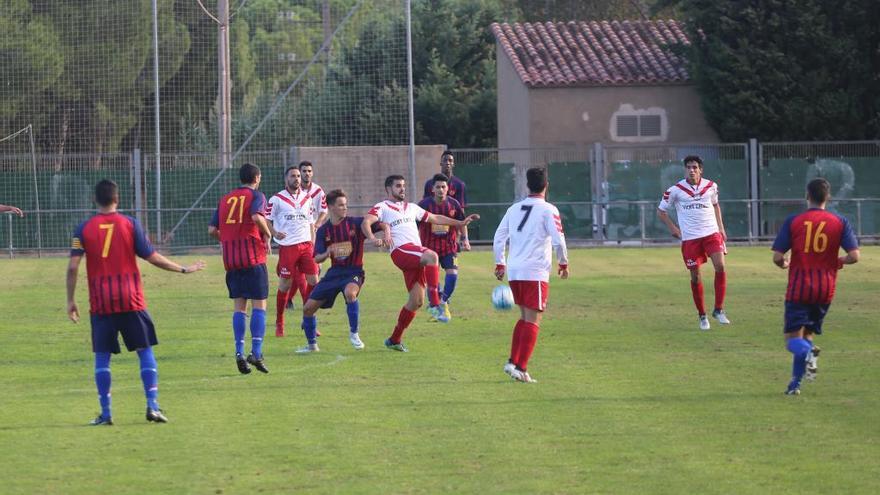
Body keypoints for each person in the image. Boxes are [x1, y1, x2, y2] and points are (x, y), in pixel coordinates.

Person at [67, 179, 206, 425]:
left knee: (102, 356)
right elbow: (153, 257)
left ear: (95, 201)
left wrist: (70, 300)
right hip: (132, 299)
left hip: (101, 303)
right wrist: (184, 269)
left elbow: (73, 267)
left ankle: (106, 413)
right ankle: (152, 406)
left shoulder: (83, 228)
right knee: (144, 351)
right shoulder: (130, 224)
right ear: (117, 199)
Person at [362, 175, 479, 351]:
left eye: (403, 185)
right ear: (388, 189)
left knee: (416, 301)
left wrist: (460, 223)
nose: (402, 189)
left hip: (414, 253)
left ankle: (394, 339)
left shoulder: (412, 208)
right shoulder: (382, 206)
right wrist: (372, 237)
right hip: (401, 250)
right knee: (432, 256)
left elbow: (436, 218)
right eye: (398, 186)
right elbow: (366, 222)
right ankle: (435, 304)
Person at [771, 178, 860, 395]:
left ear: (806, 195)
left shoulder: (795, 221)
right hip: (825, 289)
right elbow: (854, 256)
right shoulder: (840, 222)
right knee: (808, 334)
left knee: (793, 341)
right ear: (827, 197)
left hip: (800, 287)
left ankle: (810, 352)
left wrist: (784, 264)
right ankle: (795, 385)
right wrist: (837, 262)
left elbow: (777, 256)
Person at [493, 167, 569, 383]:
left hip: (515, 271)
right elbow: (558, 239)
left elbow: (499, 237)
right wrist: (563, 262)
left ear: (527, 185)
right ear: (547, 185)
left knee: (525, 317)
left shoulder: (514, 209)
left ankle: (512, 362)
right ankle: (521, 368)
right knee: (534, 320)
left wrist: (500, 262)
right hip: (534, 271)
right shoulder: (548, 209)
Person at [209, 163, 280, 375]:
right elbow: (257, 217)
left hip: (231, 261)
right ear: (257, 177)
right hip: (252, 258)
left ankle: (239, 352)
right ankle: (256, 352)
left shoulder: (225, 199)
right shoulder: (257, 196)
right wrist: (269, 234)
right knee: (260, 305)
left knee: (239, 306)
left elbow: (212, 229)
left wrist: (229, 239)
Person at [297, 189, 389, 351]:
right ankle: (312, 345)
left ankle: (354, 334)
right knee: (308, 308)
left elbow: (381, 224)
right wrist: (328, 252)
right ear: (331, 207)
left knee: (350, 293)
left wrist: (385, 235)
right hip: (334, 274)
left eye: (346, 205)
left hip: (354, 272)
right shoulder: (324, 231)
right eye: (341, 205)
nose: (345, 208)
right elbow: (317, 258)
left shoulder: (355, 223)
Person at [657, 155, 730, 331]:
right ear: (685, 170)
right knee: (696, 276)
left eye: (695, 167)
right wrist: (673, 229)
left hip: (711, 233)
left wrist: (721, 229)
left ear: (700, 169)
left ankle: (719, 310)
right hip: (690, 238)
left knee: (720, 266)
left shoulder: (711, 186)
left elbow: (715, 206)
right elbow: (661, 211)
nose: (692, 170)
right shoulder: (675, 190)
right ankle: (702, 315)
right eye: (689, 167)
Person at [265, 166, 319, 343]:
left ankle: (309, 321)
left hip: (306, 246)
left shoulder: (308, 198)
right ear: (285, 179)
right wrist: (273, 232)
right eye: (293, 176)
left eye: (298, 176)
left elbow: (311, 223)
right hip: (288, 247)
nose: (296, 179)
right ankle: (279, 322)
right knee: (285, 285)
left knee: (314, 282)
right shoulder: (277, 199)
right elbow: (266, 218)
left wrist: (313, 244)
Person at [418, 173, 470, 321]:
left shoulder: (454, 204)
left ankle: (444, 301)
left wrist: (465, 239)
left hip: (449, 247)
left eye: (443, 187)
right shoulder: (423, 205)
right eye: (438, 187)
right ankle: (435, 307)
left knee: (453, 275)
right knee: (432, 282)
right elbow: (414, 225)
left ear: (447, 189)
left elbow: (462, 222)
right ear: (432, 189)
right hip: (429, 249)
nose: (441, 189)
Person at [283, 160, 329, 314]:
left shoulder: (318, 191)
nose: (306, 174)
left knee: (312, 270)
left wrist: (316, 224)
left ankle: (294, 299)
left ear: (312, 173)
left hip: (314, 233)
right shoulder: (291, 191)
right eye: (304, 171)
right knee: (300, 271)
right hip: (296, 237)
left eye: (309, 171)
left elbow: (324, 210)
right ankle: (306, 305)